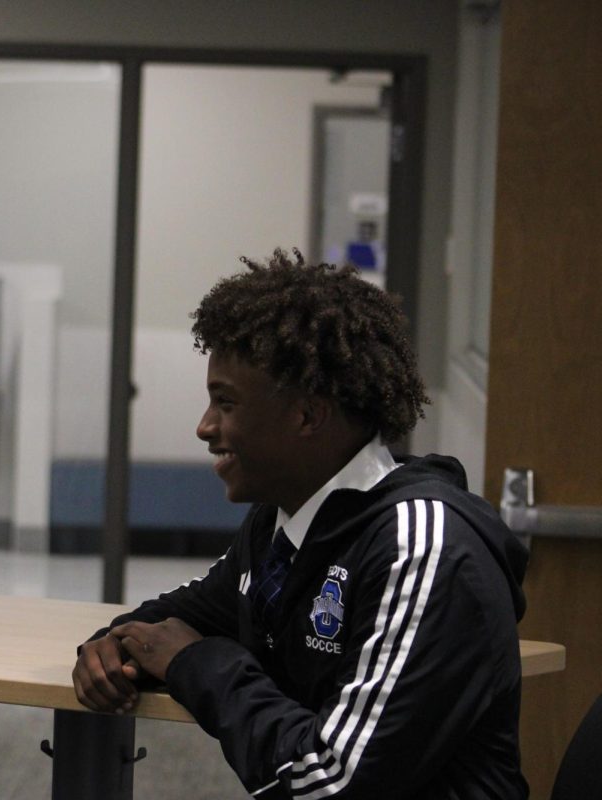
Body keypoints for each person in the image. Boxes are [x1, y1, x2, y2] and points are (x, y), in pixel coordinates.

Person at [72, 249, 529, 799]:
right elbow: (187, 615)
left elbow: (331, 782)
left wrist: (199, 662)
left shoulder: (421, 546)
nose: (205, 426)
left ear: (307, 416)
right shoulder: (283, 520)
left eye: (226, 403)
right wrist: (113, 646)